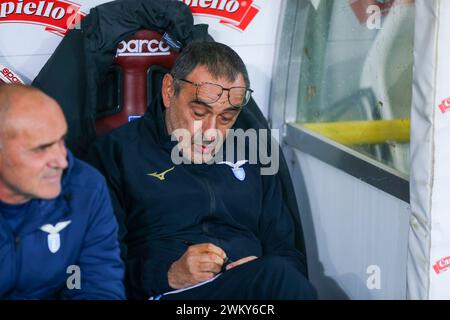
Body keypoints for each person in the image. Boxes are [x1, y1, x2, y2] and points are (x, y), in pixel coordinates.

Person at [87, 41, 317, 300]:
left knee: (279, 274)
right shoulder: (115, 154)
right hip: (166, 293)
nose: (210, 132)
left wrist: (256, 270)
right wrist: (168, 275)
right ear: (168, 90)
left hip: (251, 291)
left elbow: (290, 255)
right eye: (199, 112)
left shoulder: (254, 151)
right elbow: (96, 271)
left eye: (226, 118)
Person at [0, 84, 125, 299]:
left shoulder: (87, 188)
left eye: (61, 141)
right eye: (42, 148)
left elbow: (98, 285)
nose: (61, 161)